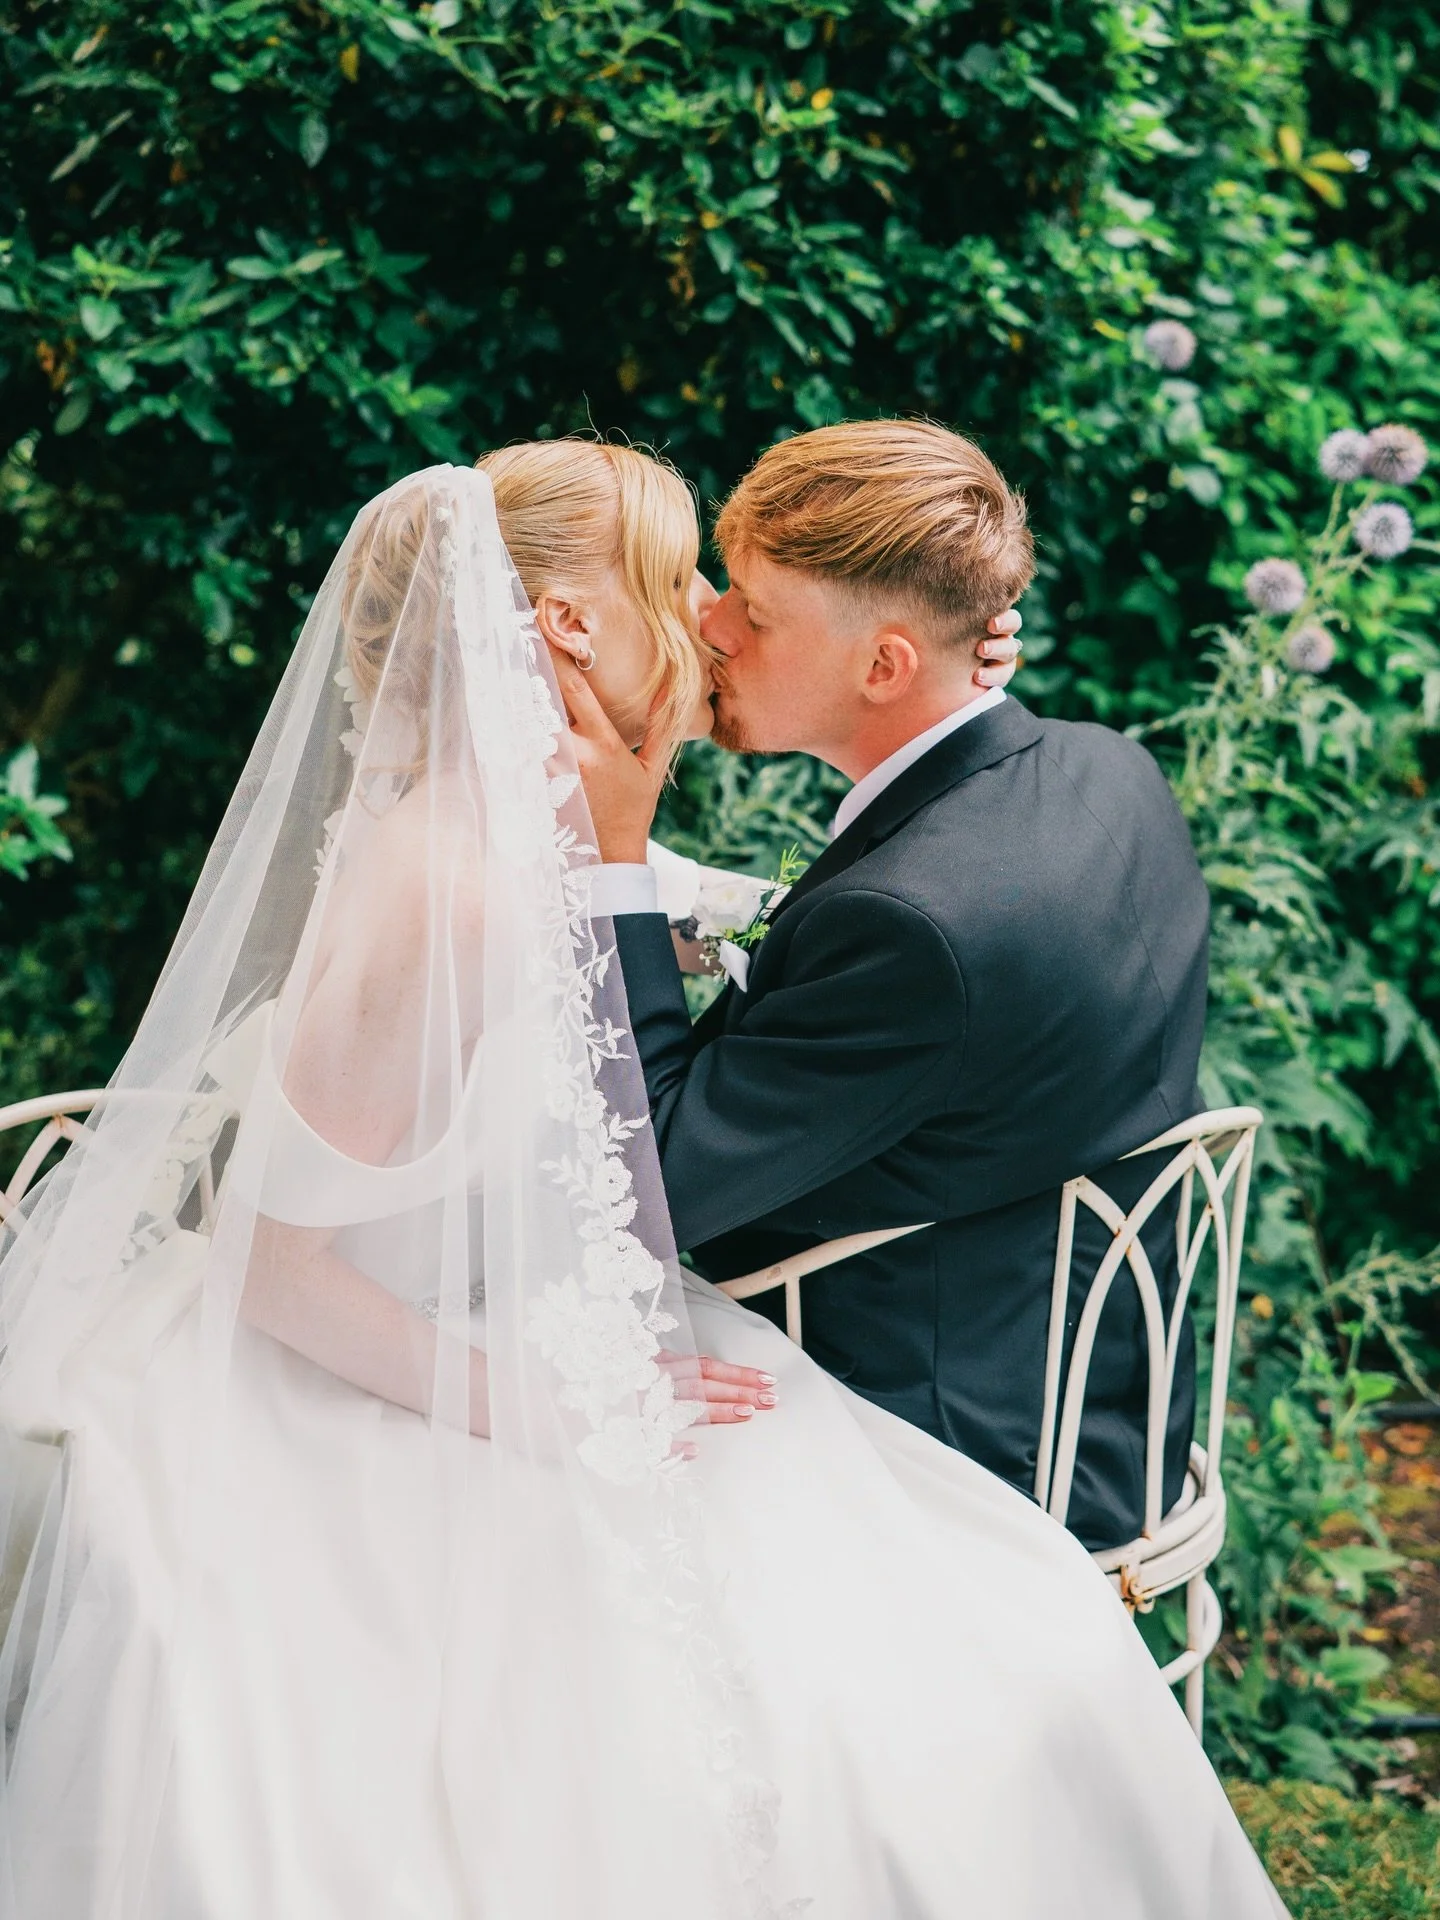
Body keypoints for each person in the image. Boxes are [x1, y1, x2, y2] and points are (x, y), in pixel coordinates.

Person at [0, 449, 1284, 1918]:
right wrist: (537, 1404)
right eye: (691, 586)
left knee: (892, 1636)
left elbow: (682, 1023)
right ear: (565, 634)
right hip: (391, 1359)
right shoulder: (449, 876)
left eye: (739, 600)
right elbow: (283, 1264)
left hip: (607, 1311)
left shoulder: (566, 831)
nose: (718, 623)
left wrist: (657, 835)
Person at [562, 420, 1210, 1553]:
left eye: (753, 615)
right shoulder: (1105, 769)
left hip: (957, 1431)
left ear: (885, 665)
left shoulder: (912, 929)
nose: (708, 626)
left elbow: (645, 1196)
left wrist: (617, 855)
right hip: (1093, 1376)